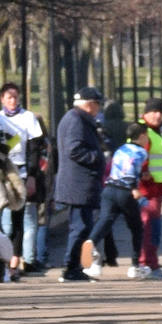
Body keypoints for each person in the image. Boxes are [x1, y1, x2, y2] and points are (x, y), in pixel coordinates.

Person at [0, 82, 49, 275]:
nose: (13, 101)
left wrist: (32, 176)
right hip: (2, 174)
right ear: (2, 99)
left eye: (15, 97)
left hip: (22, 173)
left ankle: (18, 260)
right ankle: (4, 259)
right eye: (9, 97)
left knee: (21, 218)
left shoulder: (28, 118)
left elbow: (35, 149)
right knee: (4, 220)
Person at [83, 123, 149, 280]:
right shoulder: (141, 152)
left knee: (105, 220)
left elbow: (118, 167)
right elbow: (131, 168)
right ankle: (135, 266)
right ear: (141, 136)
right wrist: (134, 187)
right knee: (136, 228)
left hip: (109, 189)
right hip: (125, 191)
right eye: (146, 136)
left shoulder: (121, 149)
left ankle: (92, 246)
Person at [54, 86, 105, 282]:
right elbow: (74, 149)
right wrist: (97, 157)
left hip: (82, 184)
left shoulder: (78, 118)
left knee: (85, 226)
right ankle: (70, 267)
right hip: (78, 183)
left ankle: (78, 266)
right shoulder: (76, 120)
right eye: (97, 104)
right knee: (80, 227)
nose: (99, 108)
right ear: (90, 104)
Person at [136, 98, 162, 277]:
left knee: (153, 226)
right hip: (148, 189)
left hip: (157, 189)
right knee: (149, 227)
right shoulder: (144, 132)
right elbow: (138, 154)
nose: (157, 115)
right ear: (146, 113)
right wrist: (144, 173)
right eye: (153, 111)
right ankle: (147, 264)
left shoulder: (153, 131)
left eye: (160, 111)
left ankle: (149, 262)